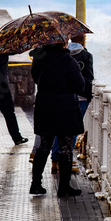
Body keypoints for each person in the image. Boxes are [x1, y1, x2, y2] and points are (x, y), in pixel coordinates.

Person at [29, 42, 85, 196]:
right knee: (65, 148)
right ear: (62, 44)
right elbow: (79, 85)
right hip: (64, 109)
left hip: (45, 107)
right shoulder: (68, 61)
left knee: (44, 146)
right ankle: (64, 187)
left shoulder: (39, 59)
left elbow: (35, 78)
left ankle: (36, 185)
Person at [49, 36, 94, 173]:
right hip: (81, 97)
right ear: (83, 40)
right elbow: (89, 77)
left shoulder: (62, 55)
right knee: (73, 130)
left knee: (60, 129)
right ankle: (67, 161)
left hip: (65, 97)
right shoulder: (86, 55)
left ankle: (55, 159)